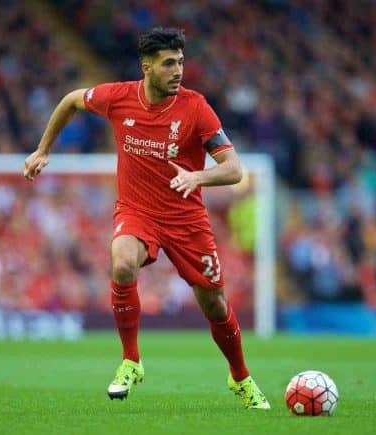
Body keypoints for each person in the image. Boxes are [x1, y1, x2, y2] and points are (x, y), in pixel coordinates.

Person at [23, 27, 270, 410]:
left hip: (186, 220)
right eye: (169, 63)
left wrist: (198, 176)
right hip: (137, 211)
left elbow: (234, 169)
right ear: (147, 67)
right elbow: (72, 100)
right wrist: (42, 150)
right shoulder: (119, 98)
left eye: (181, 62)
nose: (178, 71)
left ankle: (240, 377)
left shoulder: (196, 108)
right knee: (122, 264)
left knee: (215, 305)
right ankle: (131, 361)